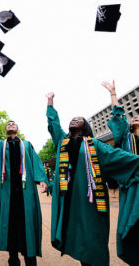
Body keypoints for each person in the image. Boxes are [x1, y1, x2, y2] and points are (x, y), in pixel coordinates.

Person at [46, 92, 139, 266]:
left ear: (85, 125)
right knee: (77, 238)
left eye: (79, 119)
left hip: (91, 202)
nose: (74, 120)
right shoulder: (62, 142)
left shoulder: (95, 145)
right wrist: (50, 104)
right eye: (72, 119)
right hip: (70, 201)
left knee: (92, 240)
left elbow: (116, 156)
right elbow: (53, 126)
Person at [0, 103, 48, 266]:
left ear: (18, 130)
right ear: (6, 131)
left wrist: (42, 179)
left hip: (24, 191)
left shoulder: (26, 144)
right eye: (8, 124)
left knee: (26, 222)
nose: (10, 125)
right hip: (7, 191)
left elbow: (35, 161)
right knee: (11, 223)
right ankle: (13, 258)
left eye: (13, 124)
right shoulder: (1, 144)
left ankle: (30, 259)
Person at [102, 80, 139, 265]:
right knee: (133, 226)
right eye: (134, 118)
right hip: (133, 186)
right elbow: (119, 116)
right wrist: (113, 93)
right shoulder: (126, 137)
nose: (136, 118)